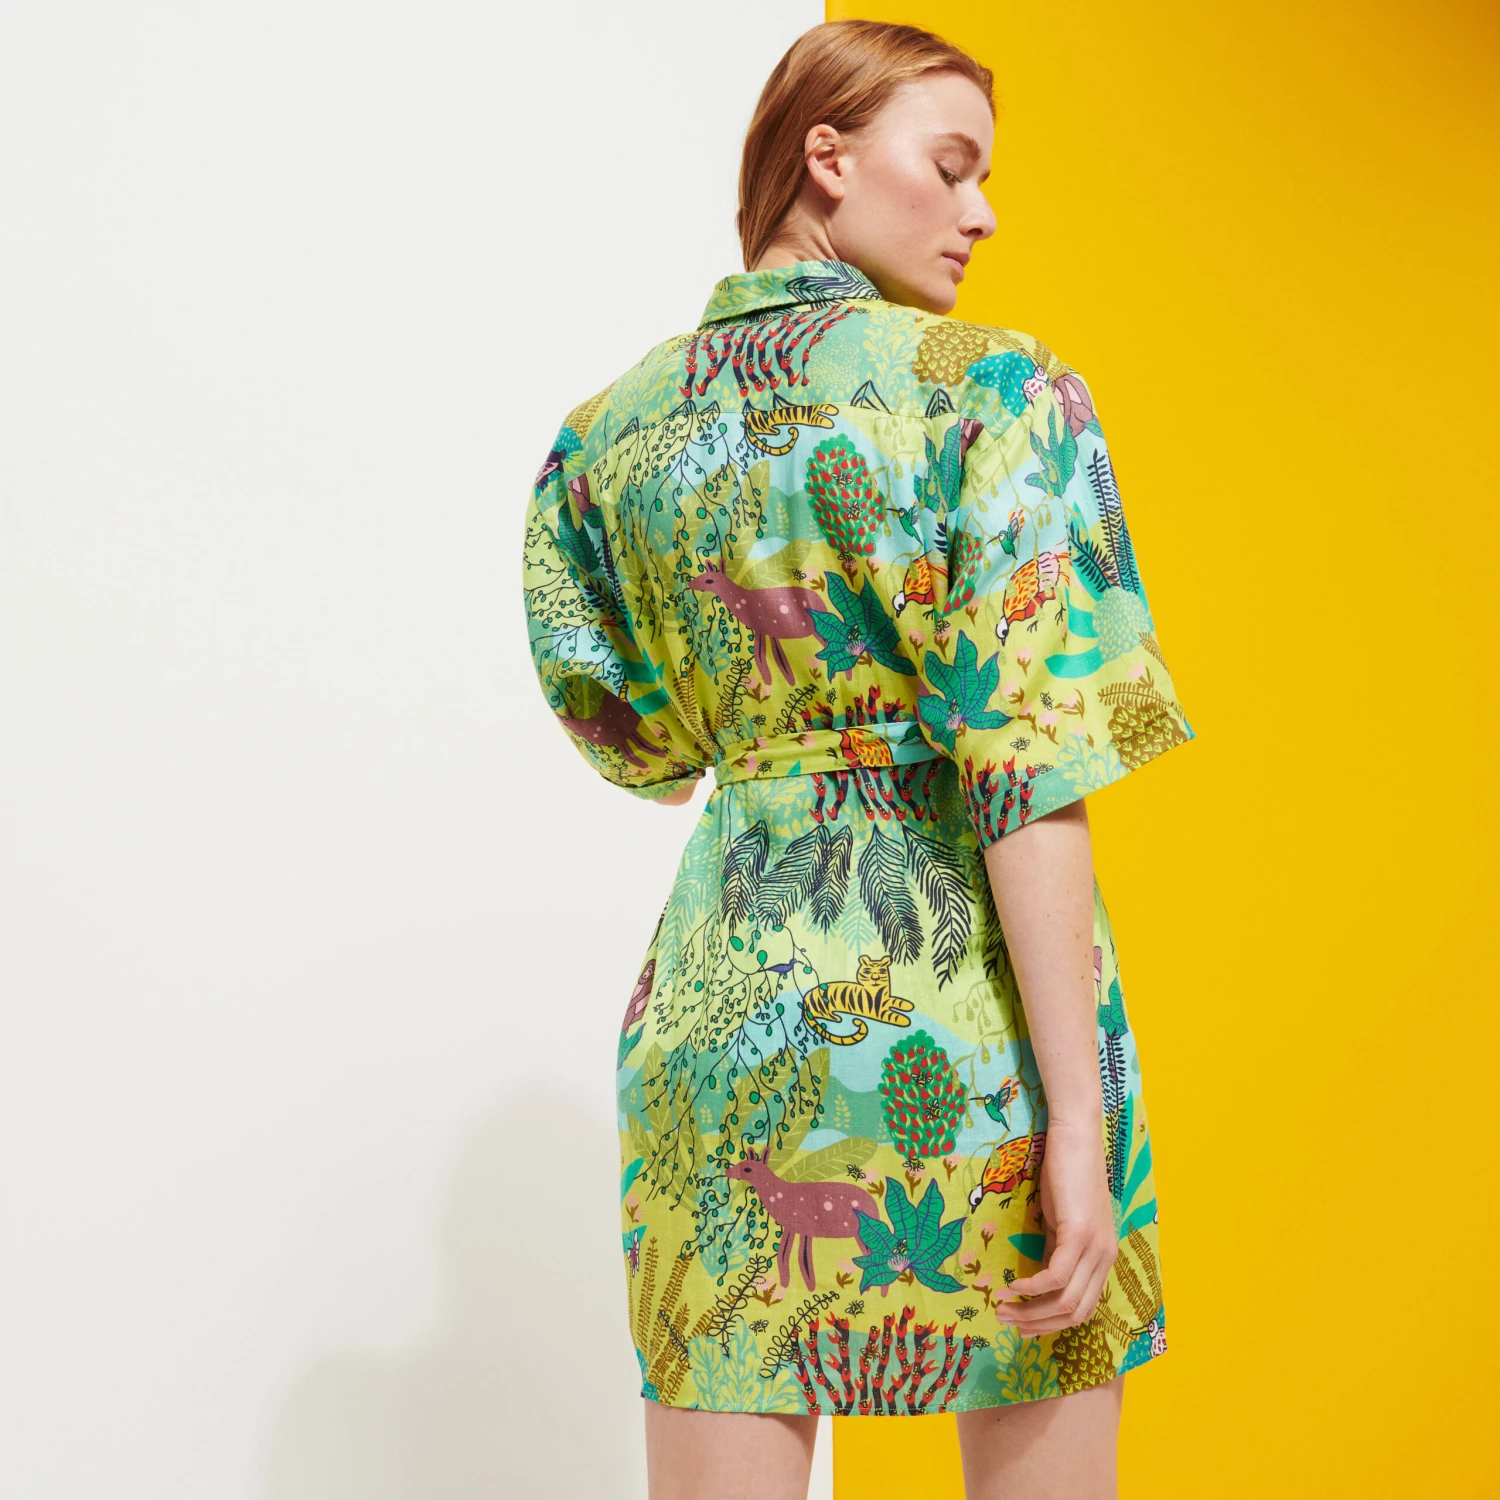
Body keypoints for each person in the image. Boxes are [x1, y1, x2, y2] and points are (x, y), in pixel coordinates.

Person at [520, 19, 1193, 1500]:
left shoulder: (603, 438)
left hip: (725, 1018)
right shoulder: (997, 393)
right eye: (951, 167)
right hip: (965, 1028)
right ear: (826, 157)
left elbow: (636, 742)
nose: (983, 212)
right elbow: (1028, 766)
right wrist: (1080, 1123)